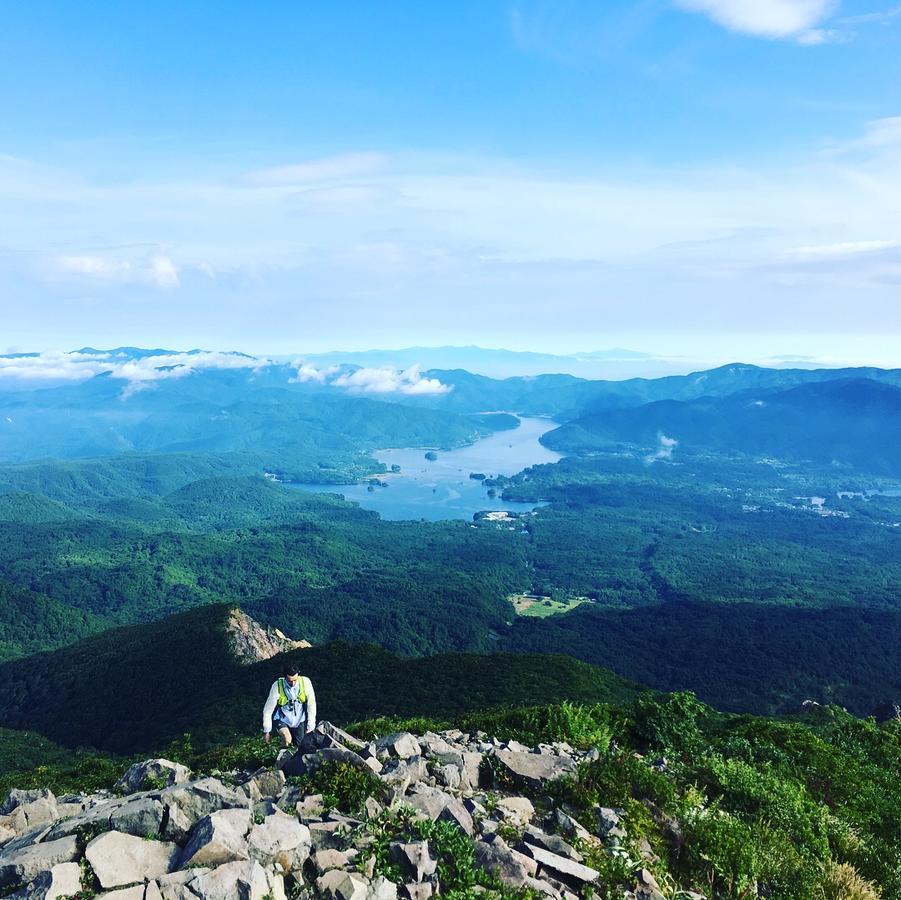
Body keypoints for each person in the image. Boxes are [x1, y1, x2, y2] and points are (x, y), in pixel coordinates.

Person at [262, 664, 317, 749]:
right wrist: (267, 731)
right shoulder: (277, 686)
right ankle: (281, 759)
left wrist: (310, 727)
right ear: (284, 678)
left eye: (295, 680)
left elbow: (311, 704)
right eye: (289, 681)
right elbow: (268, 710)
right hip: (282, 719)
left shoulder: (305, 682)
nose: (293, 683)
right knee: (287, 739)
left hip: (299, 721)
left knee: (300, 747)